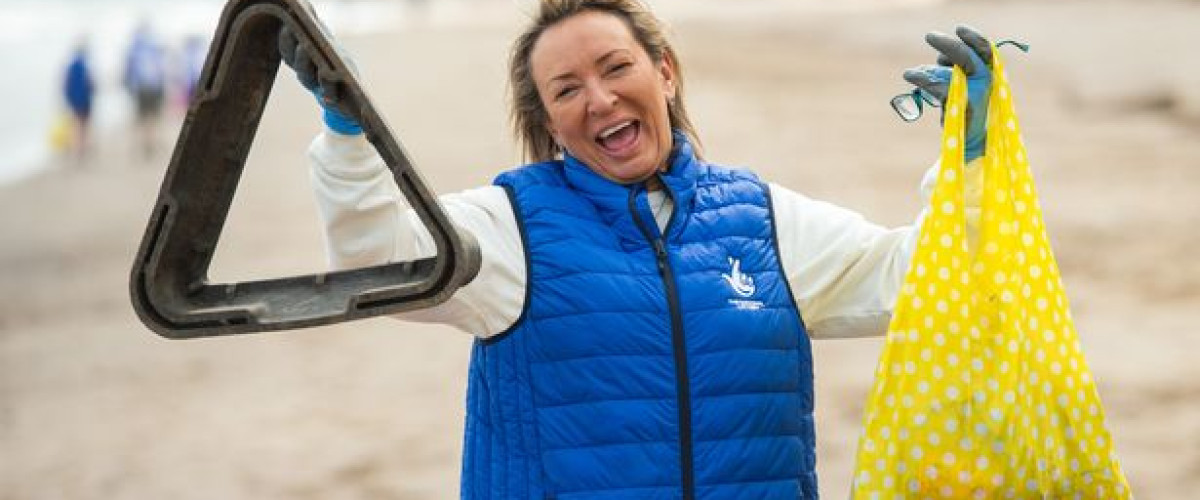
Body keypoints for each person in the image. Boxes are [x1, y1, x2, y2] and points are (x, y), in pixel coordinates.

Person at [279, 0, 997, 497]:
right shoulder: (511, 227)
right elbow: (385, 263)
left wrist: (970, 157)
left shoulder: (763, 218)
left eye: (615, 67)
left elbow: (926, 283)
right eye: (567, 89)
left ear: (665, 72)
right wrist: (350, 138)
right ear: (552, 125)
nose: (598, 99)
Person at [123, 21, 167, 160]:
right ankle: (150, 144)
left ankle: (141, 145)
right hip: (153, 86)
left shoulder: (134, 47)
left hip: (140, 88)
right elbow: (160, 69)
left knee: (140, 117)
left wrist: (128, 87)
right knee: (152, 117)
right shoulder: (154, 46)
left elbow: (128, 71)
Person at [62, 40, 95, 162]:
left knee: (76, 125)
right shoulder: (85, 65)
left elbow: (65, 84)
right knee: (84, 126)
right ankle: (82, 150)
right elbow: (90, 83)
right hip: (85, 100)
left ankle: (77, 150)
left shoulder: (71, 66)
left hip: (74, 101)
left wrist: (68, 99)